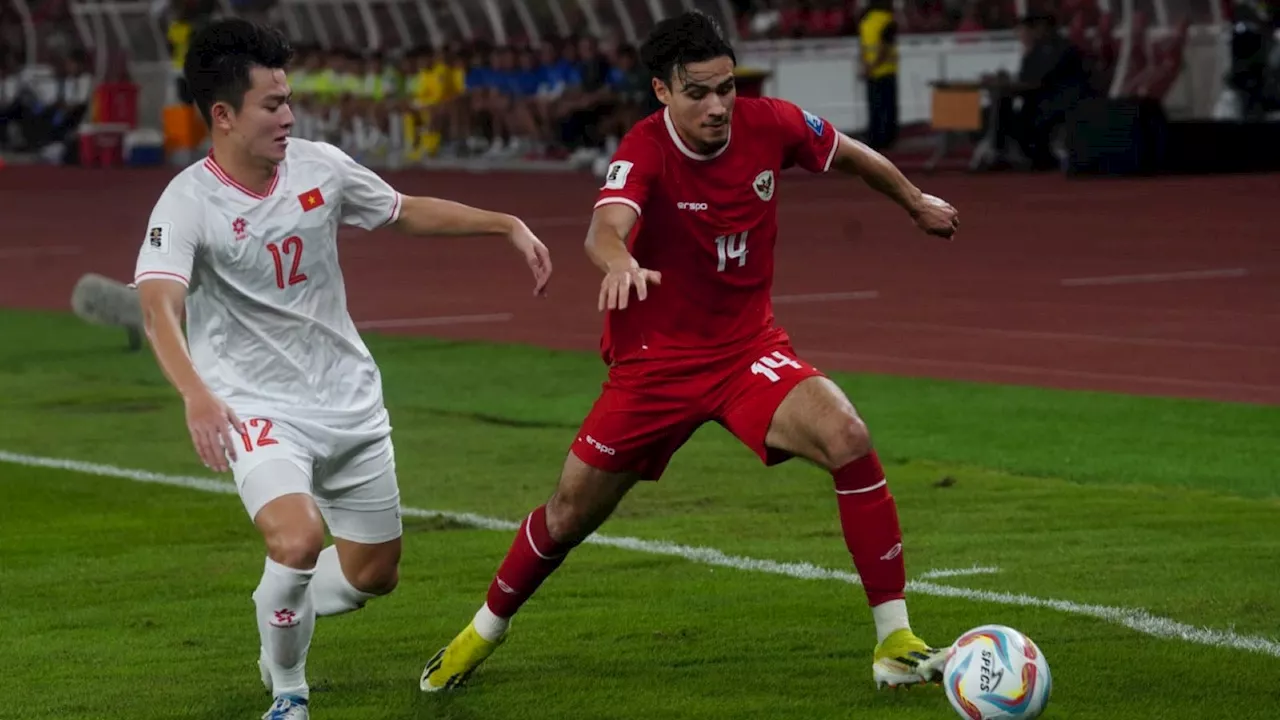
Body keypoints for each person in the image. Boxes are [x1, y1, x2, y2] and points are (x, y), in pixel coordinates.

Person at [421, 10, 959, 695]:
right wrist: (618, 264)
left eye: (726, 88)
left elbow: (852, 154)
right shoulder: (643, 150)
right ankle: (481, 632)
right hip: (654, 368)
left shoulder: (774, 123)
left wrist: (914, 202)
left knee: (848, 436)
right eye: (699, 92)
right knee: (568, 514)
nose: (718, 107)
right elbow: (604, 228)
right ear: (662, 92)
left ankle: (895, 642)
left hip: (746, 352)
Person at [132, 18, 552, 720]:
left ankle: (280, 603)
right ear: (224, 115)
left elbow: (404, 212)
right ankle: (289, 690)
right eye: (272, 105)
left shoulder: (321, 168)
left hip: (349, 401)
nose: (289, 116)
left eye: (289, 100)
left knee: (372, 576)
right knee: (296, 539)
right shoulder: (186, 202)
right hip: (253, 406)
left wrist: (505, 223)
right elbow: (157, 308)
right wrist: (197, 395)